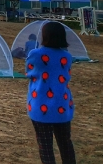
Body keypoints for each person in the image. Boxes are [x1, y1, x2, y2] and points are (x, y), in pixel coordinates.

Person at [26, 21, 75, 163]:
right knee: (65, 143)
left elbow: (30, 72)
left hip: (40, 106)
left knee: (45, 146)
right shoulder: (67, 56)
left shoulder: (35, 54)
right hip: (63, 104)